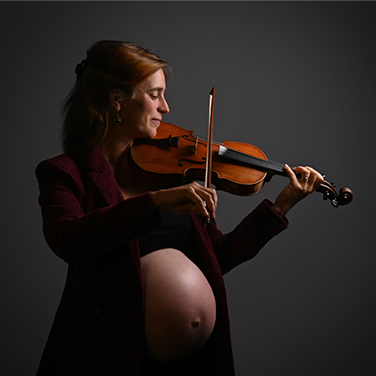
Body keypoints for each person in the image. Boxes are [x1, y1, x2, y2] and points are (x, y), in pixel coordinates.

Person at [35, 40, 324, 376]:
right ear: (117, 100)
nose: (166, 107)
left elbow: (216, 258)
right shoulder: (65, 172)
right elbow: (69, 239)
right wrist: (155, 202)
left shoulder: (172, 170)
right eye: (155, 94)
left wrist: (280, 206)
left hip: (191, 364)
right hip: (109, 354)